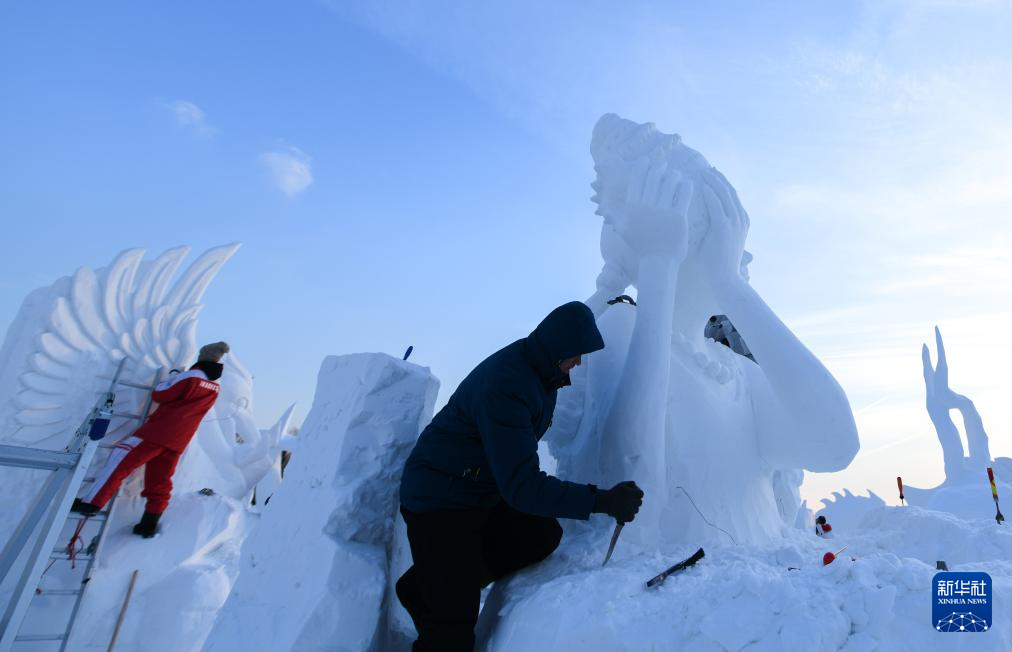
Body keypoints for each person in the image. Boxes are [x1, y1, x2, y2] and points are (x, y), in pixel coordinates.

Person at [397, 302, 644, 651]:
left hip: (477, 489)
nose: (579, 362)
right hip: (440, 499)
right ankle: (445, 593)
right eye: (576, 354)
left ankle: (431, 584)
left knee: (538, 534)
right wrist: (601, 500)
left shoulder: (543, 372)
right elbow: (522, 487)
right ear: (560, 346)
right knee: (451, 632)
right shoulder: (508, 386)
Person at [71, 342, 230, 537]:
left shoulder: (191, 376)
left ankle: (91, 503)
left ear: (202, 357)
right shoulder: (215, 386)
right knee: (160, 481)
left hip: (158, 432)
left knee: (119, 458)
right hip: (178, 441)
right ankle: (149, 523)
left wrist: (172, 377)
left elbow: (160, 394)